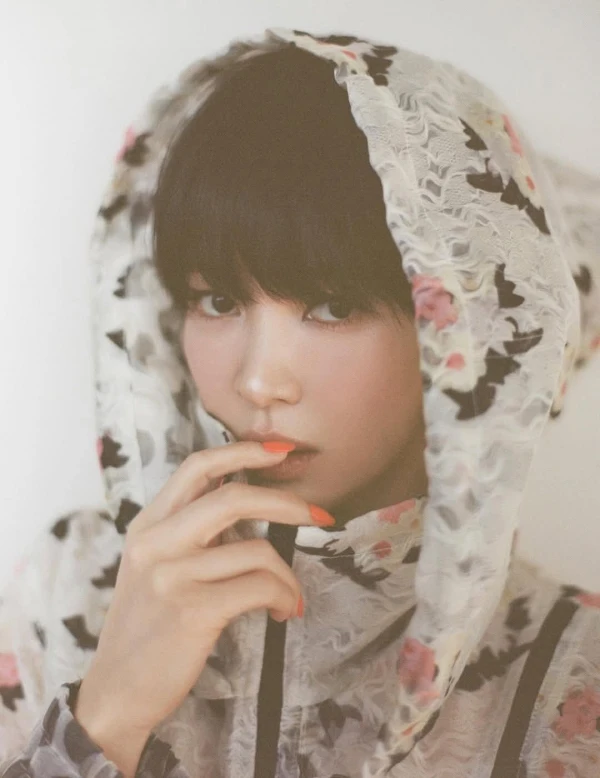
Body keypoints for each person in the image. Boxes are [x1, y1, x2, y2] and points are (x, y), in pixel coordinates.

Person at [1, 25, 600, 778]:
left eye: (331, 307)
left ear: (462, 331)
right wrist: (105, 717)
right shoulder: (67, 592)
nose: (259, 382)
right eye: (218, 300)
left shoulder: (572, 672)